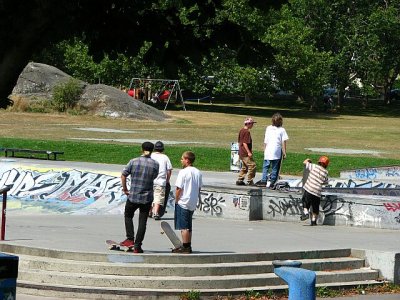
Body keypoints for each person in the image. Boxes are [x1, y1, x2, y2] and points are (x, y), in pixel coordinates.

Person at [120, 141, 159, 253]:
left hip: (133, 196)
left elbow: (123, 175)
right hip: (147, 198)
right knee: (143, 221)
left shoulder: (134, 161)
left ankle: (130, 238)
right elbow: (154, 177)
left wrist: (125, 189)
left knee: (128, 215)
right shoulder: (155, 164)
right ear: (152, 151)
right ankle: (137, 246)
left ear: (142, 149)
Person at [173, 151, 202, 253]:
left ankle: (185, 247)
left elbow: (178, 188)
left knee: (183, 226)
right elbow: (199, 188)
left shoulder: (183, 172)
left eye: (182, 159)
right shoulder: (198, 172)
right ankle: (188, 245)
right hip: (192, 202)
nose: (181, 161)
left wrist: (176, 200)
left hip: (183, 201)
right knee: (189, 226)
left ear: (187, 160)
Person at [256, 113, 289, 189]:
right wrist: (284, 152)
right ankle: (272, 182)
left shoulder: (268, 128)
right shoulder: (282, 130)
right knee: (275, 167)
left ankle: (264, 181)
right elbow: (283, 142)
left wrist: (264, 149)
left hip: (268, 150)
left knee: (266, 167)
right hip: (276, 151)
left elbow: (266, 140)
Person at [300, 156, 329, 226]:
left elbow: (304, 162)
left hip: (309, 189)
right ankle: (313, 221)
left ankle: (306, 214)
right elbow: (325, 182)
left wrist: (308, 160)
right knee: (315, 207)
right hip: (317, 192)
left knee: (305, 203)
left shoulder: (313, 166)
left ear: (319, 162)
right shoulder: (326, 172)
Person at [150, 141, 173, 220]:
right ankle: (156, 213)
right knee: (158, 197)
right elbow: (169, 170)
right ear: (162, 149)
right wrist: (167, 180)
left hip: (150, 180)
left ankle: (149, 211)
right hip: (161, 181)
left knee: (150, 197)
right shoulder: (165, 157)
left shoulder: (151, 156)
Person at [236, 117, 257, 186]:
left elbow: (239, 141)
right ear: (248, 124)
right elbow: (245, 143)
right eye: (252, 124)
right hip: (245, 153)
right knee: (252, 165)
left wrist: (240, 150)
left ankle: (240, 180)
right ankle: (250, 181)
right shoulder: (247, 132)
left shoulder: (241, 130)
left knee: (245, 167)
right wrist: (248, 152)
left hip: (241, 152)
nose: (252, 125)